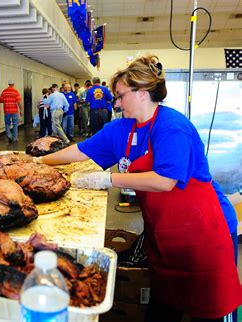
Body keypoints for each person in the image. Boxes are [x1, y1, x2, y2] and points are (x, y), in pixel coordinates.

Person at [38, 55, 241, 322]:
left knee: (207, 310)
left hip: (202, 234)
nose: (117, 103)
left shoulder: (172, 126)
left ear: (142, 93)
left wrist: (109, 180)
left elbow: (164, 180)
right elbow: (78, 151)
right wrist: (36, 161)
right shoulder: (121, 128)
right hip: (163, 234)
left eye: (121, 96)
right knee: (163, 307)